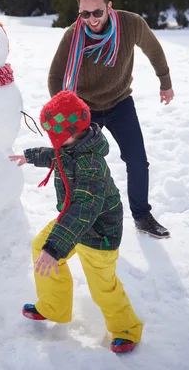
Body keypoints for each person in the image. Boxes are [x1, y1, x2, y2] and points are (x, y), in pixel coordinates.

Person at [10, 90, 143, 354]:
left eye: (55, 136)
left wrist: (55, 248)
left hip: (99, 234)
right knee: (41, 248)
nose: (54, 142)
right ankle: (52, 306)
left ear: (70, 134)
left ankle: (126, 329)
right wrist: (31, 156)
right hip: (73, 223)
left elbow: (84, 209)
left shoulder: (91, 165)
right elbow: (56, 156)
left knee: (102, 287)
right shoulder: (73, 145)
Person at [48, 0, 174, 238]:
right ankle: (78, 217)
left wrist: (165, 82)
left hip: (119, 103)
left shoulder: (131, 24)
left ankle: (142, 216)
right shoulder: (73, 34)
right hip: (85, 109)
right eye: (85, 13)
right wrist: (67, 112)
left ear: (109, 6)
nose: (92, 19)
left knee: (137, 160)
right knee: (79, 165)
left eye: (97, 12)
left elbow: (154, 50)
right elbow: (55, 76)